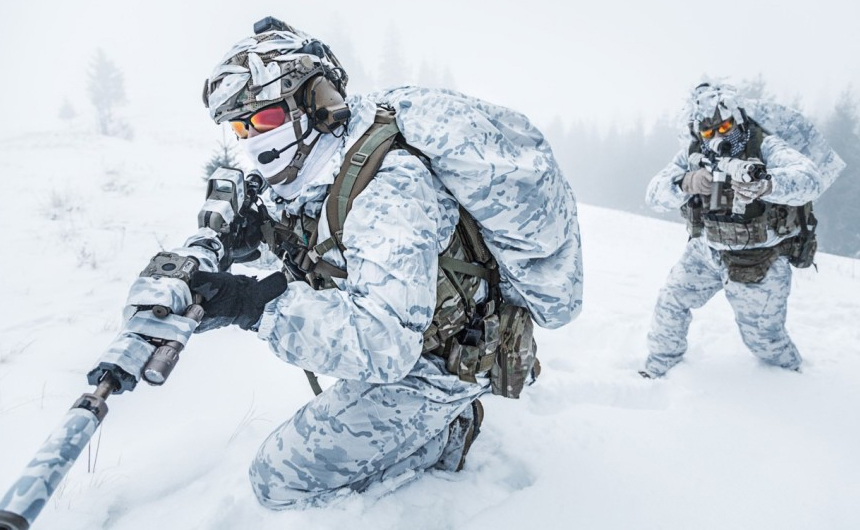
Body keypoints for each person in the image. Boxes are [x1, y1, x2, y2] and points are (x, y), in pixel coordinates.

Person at [114, 17, 582, 508]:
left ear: (315, 102)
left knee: (277, 480)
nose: (252, 137)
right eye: (240, 125)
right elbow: (325, 244)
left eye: (266, 119)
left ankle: (448, 429)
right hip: (417, 334)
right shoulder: (319, 158)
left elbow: (385, 347)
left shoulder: (389, 190)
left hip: (439, 360)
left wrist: (252, 306)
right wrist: (255, 236)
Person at [641, 81, 843, 379]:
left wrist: (767, 184)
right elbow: (653, 195)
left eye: (724, 128)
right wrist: (684, 182)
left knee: (765, 342)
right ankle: (658, 368)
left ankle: (794, 385)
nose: (717, 137)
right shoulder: (694, 152)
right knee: (671, 303)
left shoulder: (764, 144)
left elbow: (809, 178)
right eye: (708, 132)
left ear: (736, 118)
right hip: (707, 249)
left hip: (760, 259)